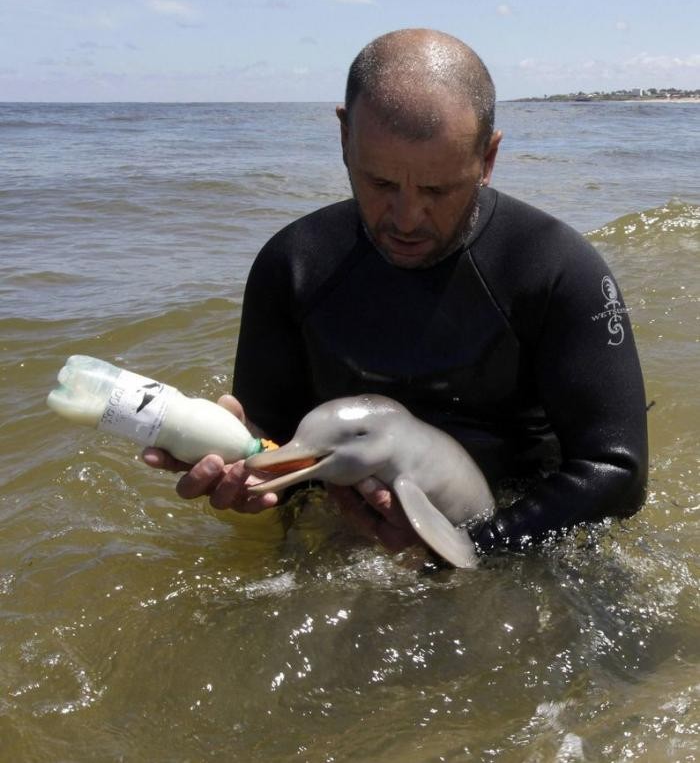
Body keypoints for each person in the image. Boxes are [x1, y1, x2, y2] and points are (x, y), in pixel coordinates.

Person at [144, 28, 648, 556]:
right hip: (350, 532)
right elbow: (274, 442)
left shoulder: (555, 267)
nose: (407, 220)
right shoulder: (292, 265)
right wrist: (240, 461)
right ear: (344, 137)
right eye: (381, 183)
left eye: (438, 189)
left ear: (488, 156)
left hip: (514, 532)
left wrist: (471, 547)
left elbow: (616, 472)